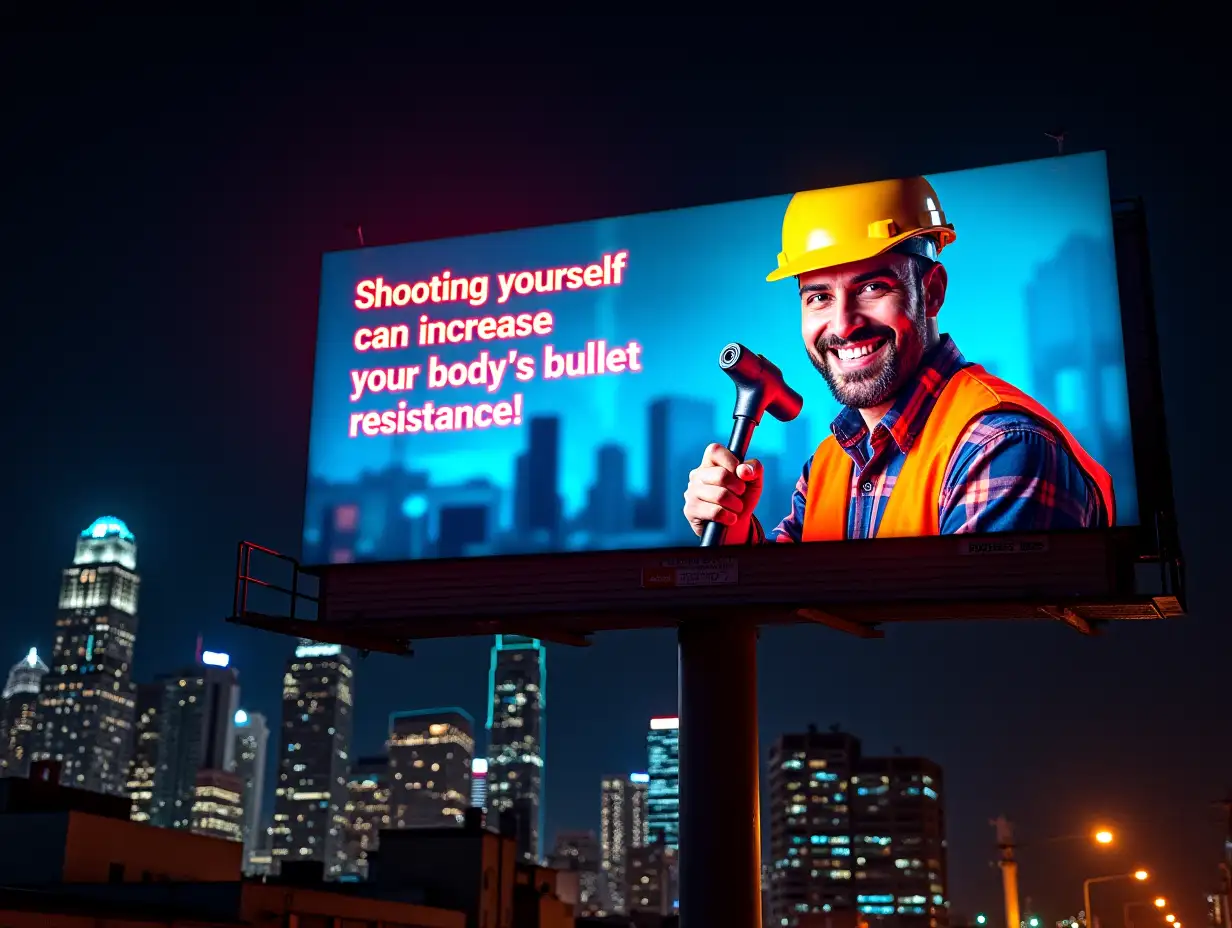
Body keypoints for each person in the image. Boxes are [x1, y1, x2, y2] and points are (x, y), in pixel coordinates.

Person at [682, 175, 1116, 543]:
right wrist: (734, 533)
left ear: (932, 292)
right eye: (818, 297)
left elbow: (971, 637)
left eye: (872, 288)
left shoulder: (1000, 447)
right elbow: (791, 600)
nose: (843, 325)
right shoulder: (829, 464)